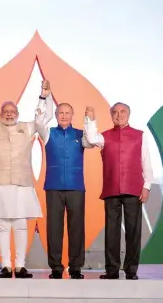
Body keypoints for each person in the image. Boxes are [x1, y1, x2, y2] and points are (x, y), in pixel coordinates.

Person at [0, 80, 53, 278]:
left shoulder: (27, 127)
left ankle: (19, 266)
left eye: (13, 111)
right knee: (2, 225)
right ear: (1, 114)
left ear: (17, 114)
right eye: (6, 111)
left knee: (20, 224)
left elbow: (42, 118)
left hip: (21, 183)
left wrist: (44, 97)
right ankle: (5, 265)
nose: (9, 114)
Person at [83, 102, 154, 280]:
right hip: (111, 189)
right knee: (111, 232)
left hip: (133, 188)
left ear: (128, 114)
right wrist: (89, 119)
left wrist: (147, 186)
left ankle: (131, 271)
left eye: (122, 111)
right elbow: (90, 139)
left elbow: (146, 162)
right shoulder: (105, 136)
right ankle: (112, 270)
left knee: (133, 231)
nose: (118, 114)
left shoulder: (140, 136)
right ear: (111, 115)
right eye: (115, 112)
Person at [38, 102, 93, 279]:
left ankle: (76, 266)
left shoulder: (80, 135)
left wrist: (89, 120)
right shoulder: (48, 134)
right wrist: (43, 97)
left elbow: (91, 141)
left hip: (76, 186)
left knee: (76, 228)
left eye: (67, 113)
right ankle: (56, 267)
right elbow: (39, 121)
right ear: (55, 114)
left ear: (72, 115)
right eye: (60, 112)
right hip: (53, 186)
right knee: (54, 229)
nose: (64, 116)